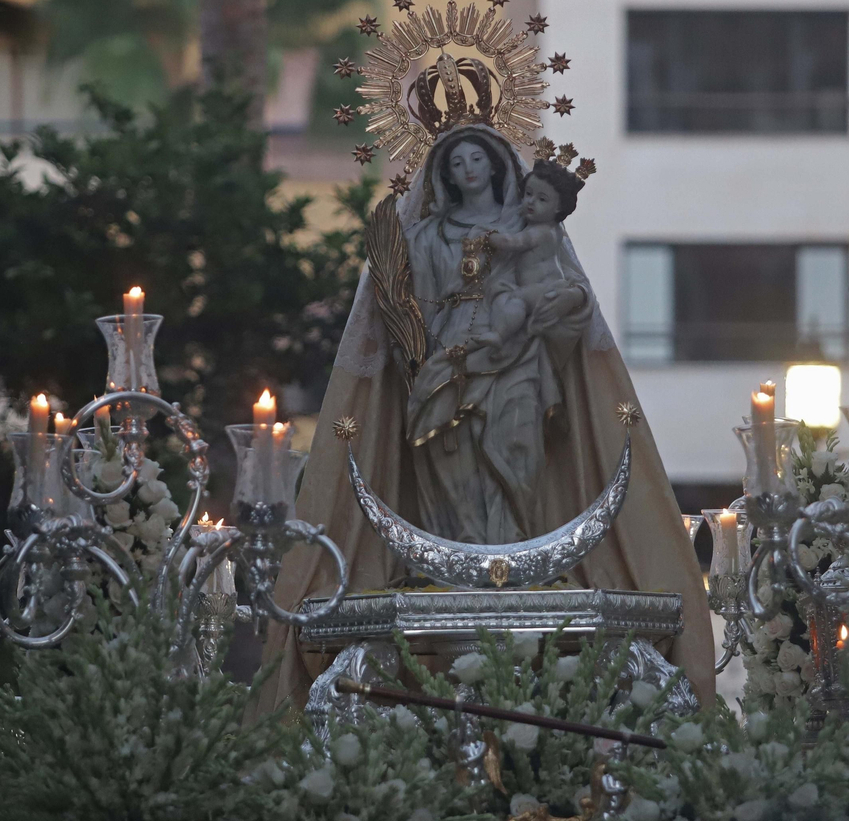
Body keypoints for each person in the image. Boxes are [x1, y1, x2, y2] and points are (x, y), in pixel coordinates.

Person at [253, 123, 715, 716]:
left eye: (478, 158)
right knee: (445, 456)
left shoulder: (530, 230)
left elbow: (569, 294)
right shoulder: (422, 236)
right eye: (456, 162)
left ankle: (511, 558)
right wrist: (414, 341)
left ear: (497, 166)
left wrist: (564, 304)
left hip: (516, 363)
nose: (467, 169)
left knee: (517, 455)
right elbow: (391, 310)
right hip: (443, 366)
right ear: (443, 174)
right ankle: (458, 559)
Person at [474, 157, 589, 361]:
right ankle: (505, 344)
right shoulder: (551, 230)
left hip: (543, 289)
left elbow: (514, 243)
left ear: (558, 208)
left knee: (516, 301)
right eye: (528, 194)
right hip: (550, 285)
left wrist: (490, 237)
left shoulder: (540, 232)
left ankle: (500, 336)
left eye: (542, 199)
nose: (530, 202)